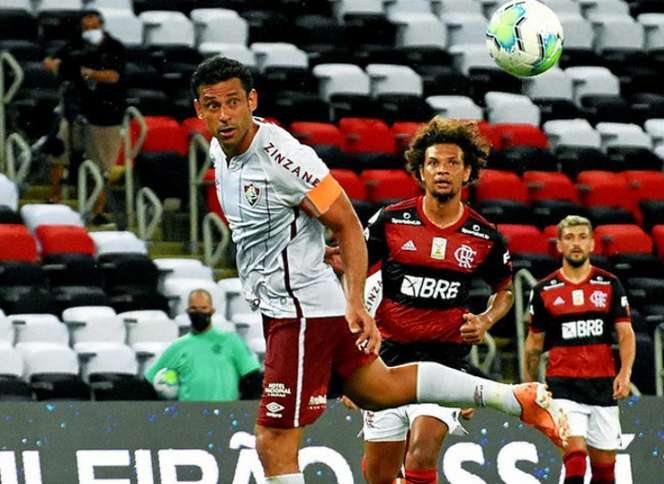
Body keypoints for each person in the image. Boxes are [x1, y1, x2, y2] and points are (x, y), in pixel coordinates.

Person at [191, 56, 568, 484]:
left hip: (302, 312)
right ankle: (515, 398)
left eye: (233, 102)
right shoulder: (219, 150)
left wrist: (355, 302)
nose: (225, 115)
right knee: (379, 390)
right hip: (291, 305)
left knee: (273, 442)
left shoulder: (282, 157)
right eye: (213, 105)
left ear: (252, 101)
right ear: (199, 110)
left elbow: (348, 224)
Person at [350, 117, 517, 484]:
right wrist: (352, 367)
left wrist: (485, 321)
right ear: (420, 171)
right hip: (388, 359)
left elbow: (504, 291)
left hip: (444, 360)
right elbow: (354, 277)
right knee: (378, 475)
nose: (442, 171)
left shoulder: (484, 236)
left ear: (467, 170)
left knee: (423, 451)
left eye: (452, 163)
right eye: (434, 163)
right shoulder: (391, 221)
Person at [523, 215, 636, 484]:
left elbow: (626, 335)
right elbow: (533, 345)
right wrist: (530, 384)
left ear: (592, 244)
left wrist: (625, 373)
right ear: (559, 245)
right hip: (563, 386)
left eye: (582, 237)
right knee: (575, 456)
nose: (576, 244)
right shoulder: (544, 290)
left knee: (605, 470)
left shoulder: (609, 284)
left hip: (602, 386)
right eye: (570, 238)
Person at [42, 9, 126, 224]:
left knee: (103, 165)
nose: (90, 28)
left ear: (101, 24)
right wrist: (59, 67)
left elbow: (113, 76)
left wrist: (86, 72)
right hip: (75, 107)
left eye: (94, 24)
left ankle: (97, 210)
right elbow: (51, 62)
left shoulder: (114, 47)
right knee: (58, 146)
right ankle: (55, 194)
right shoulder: (74, 46)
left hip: (106, 111)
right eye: (86, 25)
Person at [144, 289, 263, 401]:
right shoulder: (177, 347)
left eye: (203, 308)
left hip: (225, 415)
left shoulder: (231, 341)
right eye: (194, 309)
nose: (199, 312)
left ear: (212, 310)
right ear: (188, 312)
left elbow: (252, 378)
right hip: (190, 416)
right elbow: (151, 380)